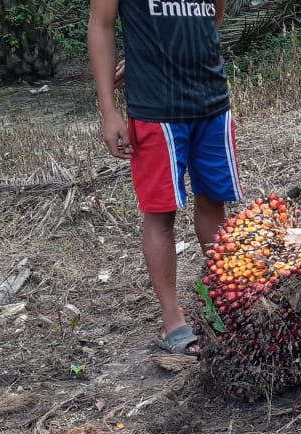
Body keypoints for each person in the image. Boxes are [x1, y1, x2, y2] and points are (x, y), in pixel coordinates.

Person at [88, 0, 240, 355]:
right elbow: (101, 25)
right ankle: (173, 322)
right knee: (160, 213)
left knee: (213, 203)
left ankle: (225, 301)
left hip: (212, 101)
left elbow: (213, 16)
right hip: (156, 110)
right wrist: (109, 111)